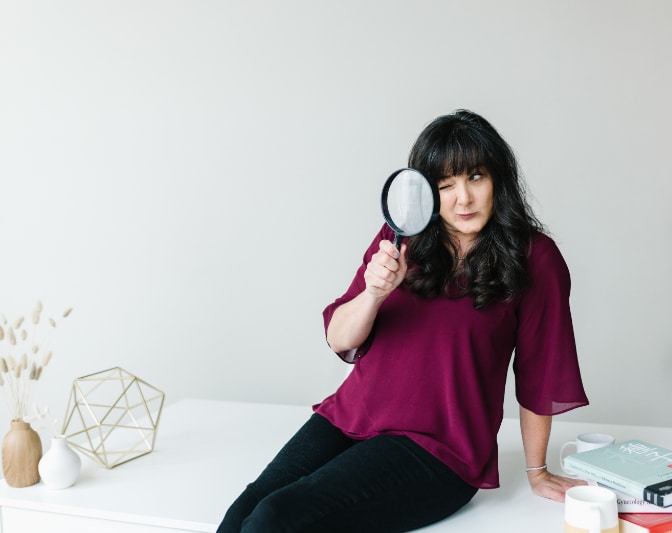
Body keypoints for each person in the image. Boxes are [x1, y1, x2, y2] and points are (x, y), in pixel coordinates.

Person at [217, 109, 589, 533]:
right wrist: (374, 294)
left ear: (498, 179)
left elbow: (540, 371)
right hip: (350, 417)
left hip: (439, 450)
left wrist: (537, 470)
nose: (462, 199)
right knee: (245, 510)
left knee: (276, 517)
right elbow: (339, 338)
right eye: (445, 185)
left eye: (475, 177)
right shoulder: (402, 236)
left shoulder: (535, 258)